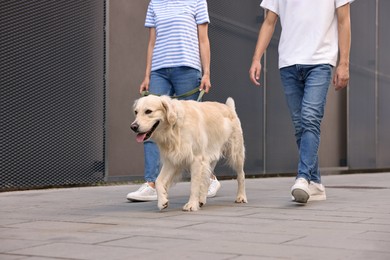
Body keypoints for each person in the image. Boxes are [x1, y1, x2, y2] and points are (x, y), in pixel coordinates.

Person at [249, 0, 353, 203]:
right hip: (288, 62)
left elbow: (344, 20)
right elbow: (269, 21)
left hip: (320, 61)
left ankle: (303, 177)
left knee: (310, 118)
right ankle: (315, 183)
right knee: (300, 125)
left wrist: (344, 63)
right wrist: (256, 58)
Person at [127, 0, 221, 202]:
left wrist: (206, 73)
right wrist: (147, 75)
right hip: (159, 71)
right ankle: (151, 183)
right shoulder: (155, 4)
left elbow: (203, 39)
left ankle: (209, 178)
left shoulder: (197, 1)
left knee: (193, 130)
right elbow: (152, 42)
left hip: (187, 68)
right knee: (149, 125)